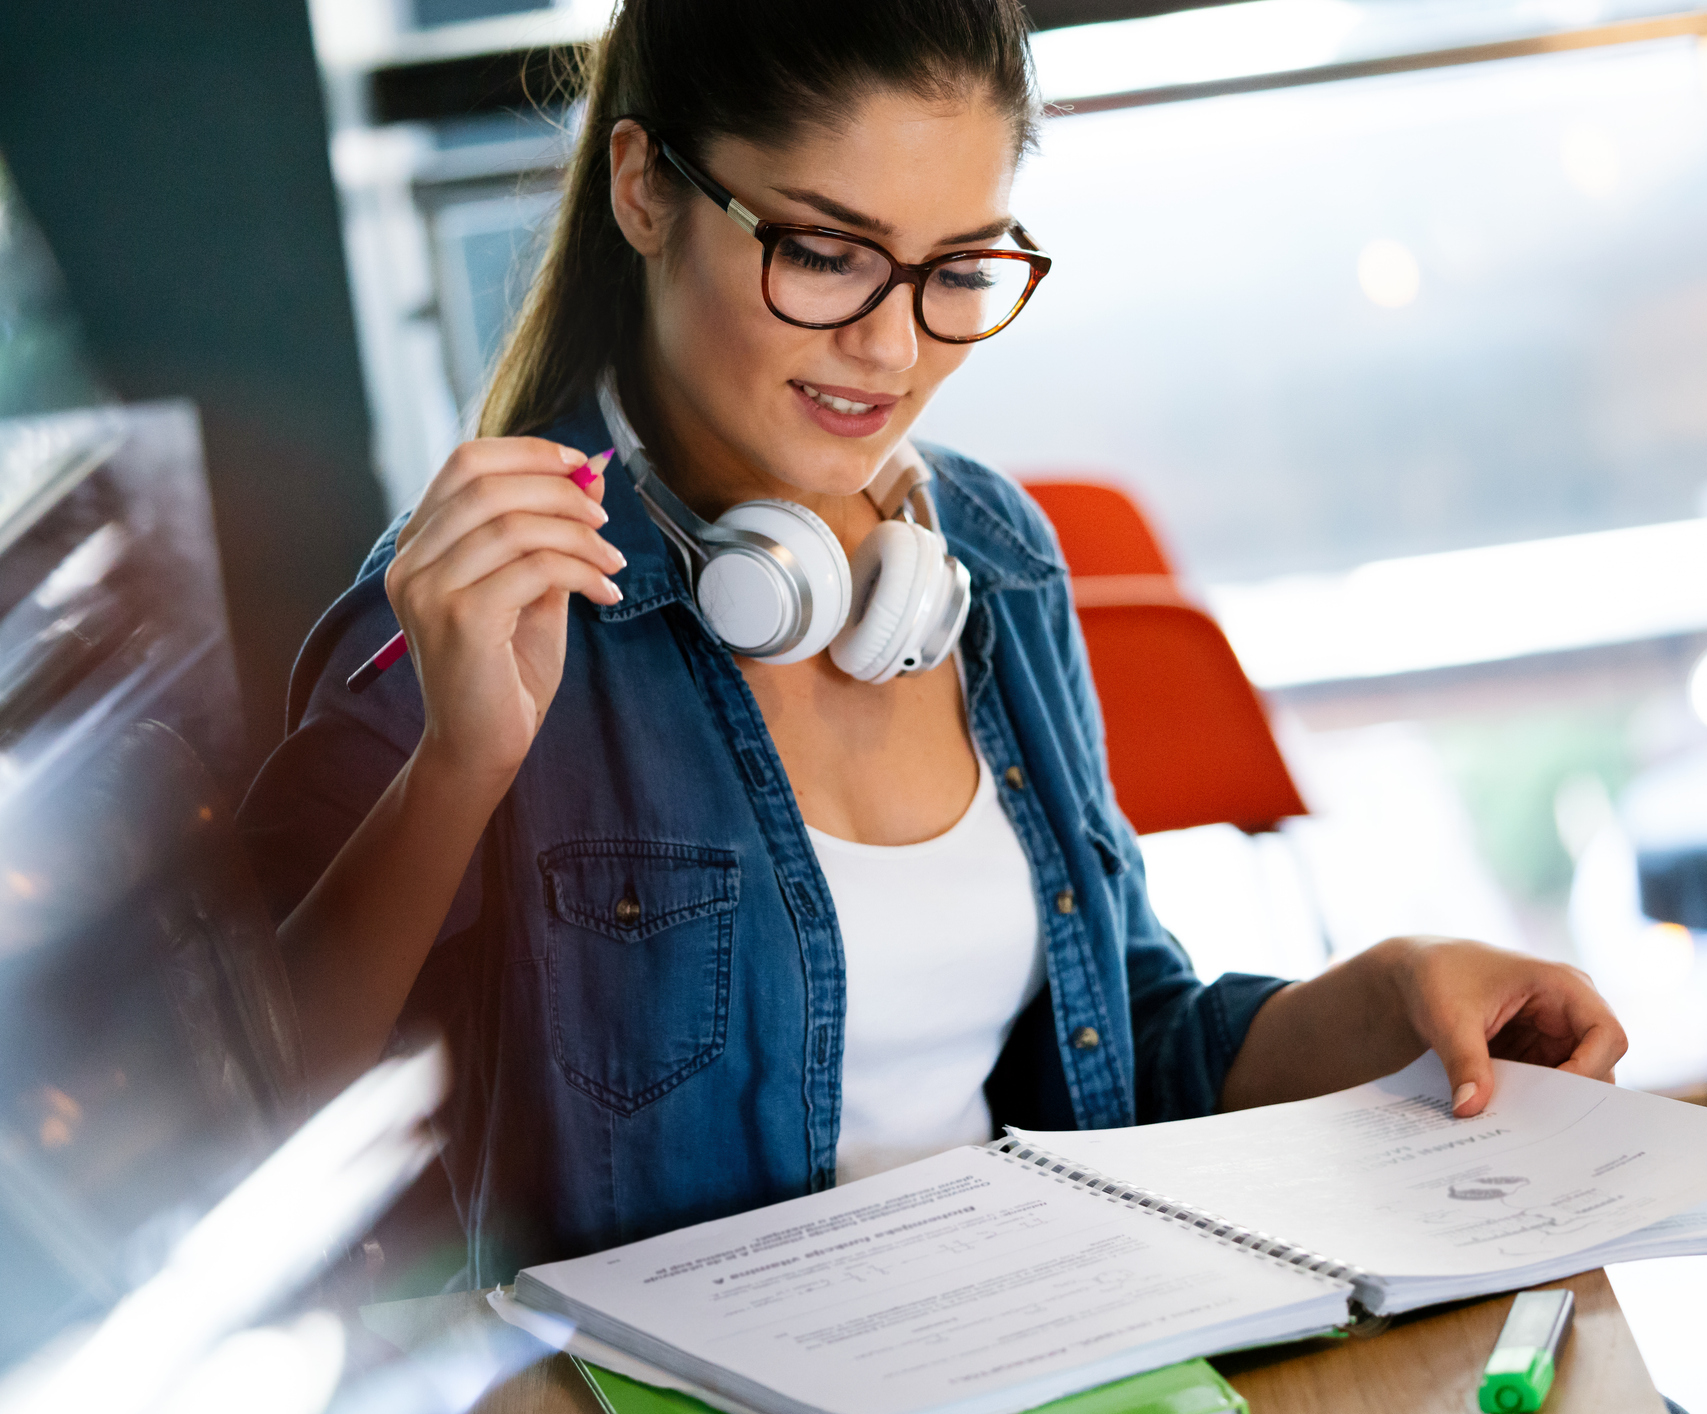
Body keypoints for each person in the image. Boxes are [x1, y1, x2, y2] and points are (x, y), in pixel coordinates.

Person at [238, 0, 1626, 1284]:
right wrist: (461, 759)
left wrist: (1391, 996)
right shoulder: (482, 606)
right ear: (646, 185)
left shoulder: (989, 555)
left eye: (957, 268)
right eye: (826, 253)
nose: (891, 349)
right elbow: (256, 1116)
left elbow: (1126, 1046)